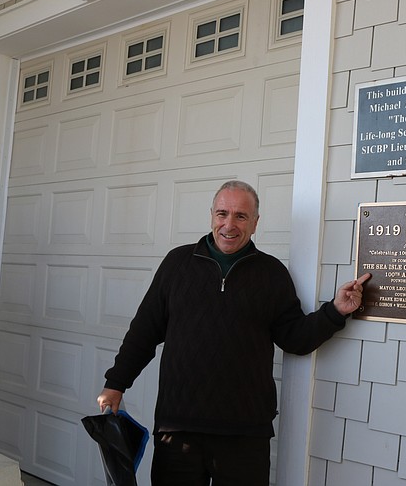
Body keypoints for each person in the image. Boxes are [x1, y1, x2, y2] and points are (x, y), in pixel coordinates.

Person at [96, 179, 370, 485]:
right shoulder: (177, 264)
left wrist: (335, 311)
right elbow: (144, 332)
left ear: (255, 223)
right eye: (222, 214)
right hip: (178, 429)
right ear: (212, 215)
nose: (230, 224)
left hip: (245, 434)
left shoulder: (271, 274)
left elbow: (296, 338)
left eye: (241, 216)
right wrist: (116, 383)